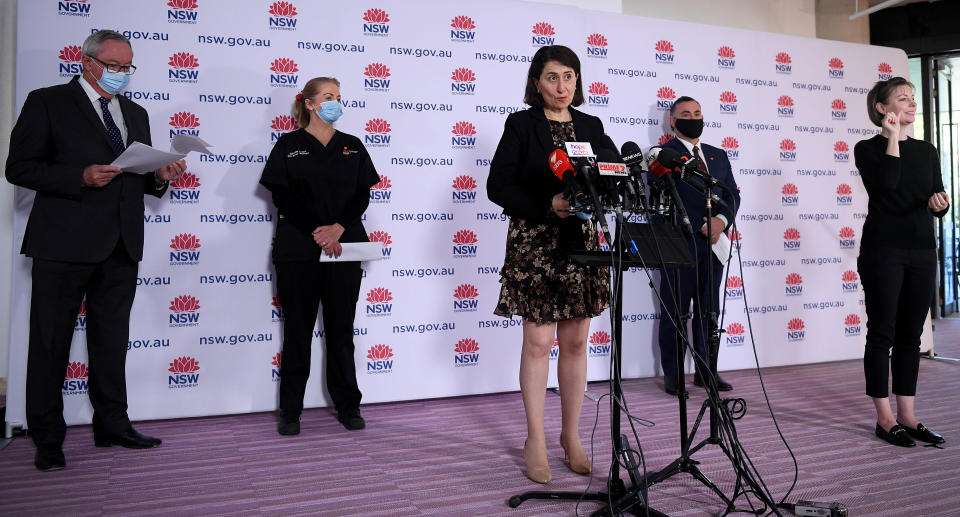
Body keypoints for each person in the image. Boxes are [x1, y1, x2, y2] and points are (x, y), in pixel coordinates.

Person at [5, 30, 186, 471]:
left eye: (128, 67)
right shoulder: (46, 101)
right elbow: (19, 167)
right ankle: (47, 436)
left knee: (112, 342)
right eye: (114, 66)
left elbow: (138, 177)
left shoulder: (136, 112)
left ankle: (113, 424)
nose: (123, 74)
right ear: (87, 62)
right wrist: (78, 177)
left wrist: (161, 174)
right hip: (63, 243)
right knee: (50, 342)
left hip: (121, 243)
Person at [487, 45, 613, 484]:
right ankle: (535, 439)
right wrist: (549, 203)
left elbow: (612, 175)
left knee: (577, 342)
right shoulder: (521, 124)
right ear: (536, 83)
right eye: (553, 77)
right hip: (537, 242)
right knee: (539, 343)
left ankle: (570, 436)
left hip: (582, 241)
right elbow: (497, 186)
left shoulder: (592, 126)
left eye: (570, 77)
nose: (563, 86)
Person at [260, 77, 379, 435]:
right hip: (298, 248)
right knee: (297, 330)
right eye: (328, 97)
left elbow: (362, 195)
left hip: (344, 247)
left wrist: (338, 228)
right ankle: (291, 411)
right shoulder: (289, 144)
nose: (336, 102)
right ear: (310, 104)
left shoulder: (353, 146)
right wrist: (319, 230)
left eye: (339, 97)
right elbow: (282, 196)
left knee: (341, 330)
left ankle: (348, 406)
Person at [854, 77, 948, 448]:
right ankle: (885, 418)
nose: (911, 104)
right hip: (883, 250)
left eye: (912, 98)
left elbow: (935, 194)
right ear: (882, 108)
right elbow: (887, 187)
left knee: (912, 336)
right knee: (883, 333)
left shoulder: (927, 150)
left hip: (922, 249)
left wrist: (939, 205)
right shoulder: (867, 148)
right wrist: (892, 137)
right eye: (902, 99)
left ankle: (908, 416)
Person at [655, 96, 740, 396]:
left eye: (698, 113)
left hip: (713, 246)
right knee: (676, 313)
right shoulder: (662, 155)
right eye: (686, 114)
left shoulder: (717, 156)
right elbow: (658, 200)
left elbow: (732, 196)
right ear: (673, 122)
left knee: (709, 311)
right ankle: (674, 376)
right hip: (678, 247)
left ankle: (707, 372)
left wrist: (721, 220)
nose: (694, 117)